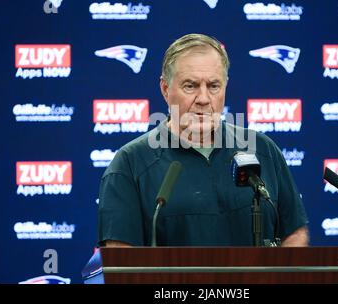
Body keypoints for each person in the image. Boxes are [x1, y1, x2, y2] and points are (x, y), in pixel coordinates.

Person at [97, 33, 309, 247]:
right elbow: (120, 258)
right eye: (190, 86)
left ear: (225, 86)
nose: (204, 99)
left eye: (214, 86)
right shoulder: (130, 163)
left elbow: (295, 233)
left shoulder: (263, 150)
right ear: (165, 89)